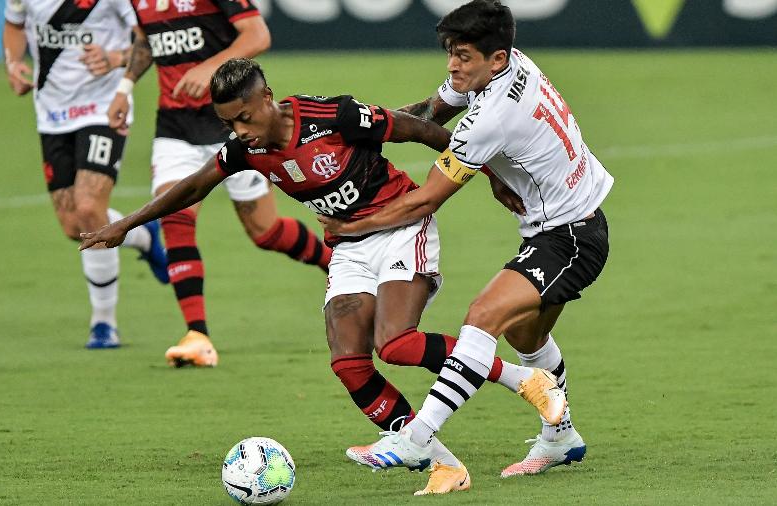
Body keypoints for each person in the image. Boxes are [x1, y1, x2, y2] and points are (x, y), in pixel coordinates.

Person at [80, 58, 566, 495]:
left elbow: (418, 130)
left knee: (395, 344)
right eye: (228, 123)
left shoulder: (331, 116)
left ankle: (524, 378)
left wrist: (492, 175)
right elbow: (192, 186)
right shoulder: (244, 151)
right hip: (347, 248)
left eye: (245, 117)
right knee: (349, 362)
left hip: (400, 224)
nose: (240, 131)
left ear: (266, 98)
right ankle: (442, 463)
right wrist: (126, 224)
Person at [321, 0, 613, 481]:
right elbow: (430, 111)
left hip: (571, 235)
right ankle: (561, 436)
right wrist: (367, 128)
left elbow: (423, 201)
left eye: (463, 56)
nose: (452, 65)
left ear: (495, 59)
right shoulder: (511, 65)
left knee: (482, 318)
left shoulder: (492, 115)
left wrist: (349, 228)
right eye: (450, 52)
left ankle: (416, 440)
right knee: (527, 336)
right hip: (561, 227)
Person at [108, 1, 331, 367]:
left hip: (235, 126)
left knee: (266, 232)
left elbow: (258, 34)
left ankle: (332, 262)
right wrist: (124, 86)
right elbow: (146, 41)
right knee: (175, 217)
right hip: (175, 128)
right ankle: (197, 336)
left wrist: (209, 68)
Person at [3, 0, 169, 349]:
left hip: (103, 107)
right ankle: (143, 236)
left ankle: (103, 324)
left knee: (90, 207)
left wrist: (116, 63)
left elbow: (148, 37)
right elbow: (14, 25)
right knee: (72, 225)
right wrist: (13, 62)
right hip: (51, 113)